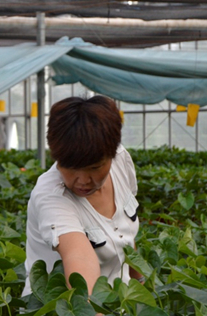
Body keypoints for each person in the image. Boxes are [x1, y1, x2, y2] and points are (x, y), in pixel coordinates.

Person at [23, 95, 143, 296]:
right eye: (70, 168)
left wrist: (139, 281)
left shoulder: (121, 160)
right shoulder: (51, 196)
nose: (82, 181)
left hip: (117, 304)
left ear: (111, 155)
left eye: (95, 168)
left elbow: (126, 237)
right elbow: (79, 259)